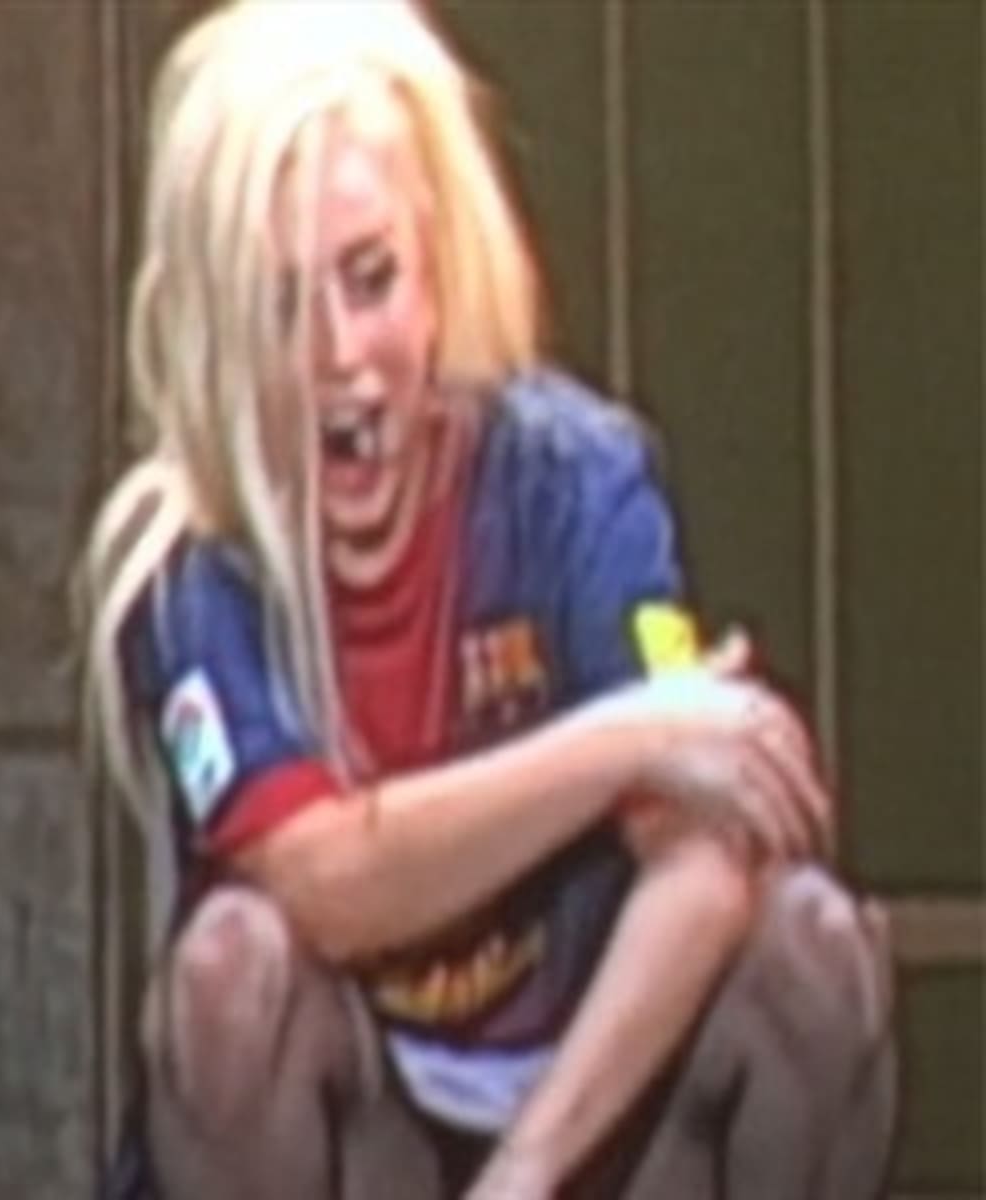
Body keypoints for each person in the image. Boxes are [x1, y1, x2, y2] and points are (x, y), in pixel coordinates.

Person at [79, 3, 897, 1197]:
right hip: (367, 1138)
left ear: (436, 270)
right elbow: (324, 882)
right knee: (229, 978)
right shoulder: (193, 565)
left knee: (813, 951)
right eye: (280, 303)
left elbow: (706, 861)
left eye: (371, 280)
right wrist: (628, 741)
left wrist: (524, 1172)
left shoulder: (572, 478)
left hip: (595, 1116)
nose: (339, 355)